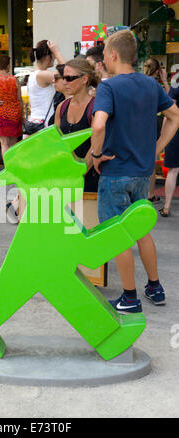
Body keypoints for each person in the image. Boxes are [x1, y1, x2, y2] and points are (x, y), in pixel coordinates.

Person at [91, 30, 179, 313]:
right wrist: (156, 148)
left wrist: (95, 154)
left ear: (113, 55)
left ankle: (129, 297)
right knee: (141, 230)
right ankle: (154, 286)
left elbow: (99, 124)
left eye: (104, 52)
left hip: (115, 171)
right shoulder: (151, 85)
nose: (103, 57)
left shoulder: (109, 87)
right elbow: (175, 116)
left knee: (118, 235)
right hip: (143, 173)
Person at [55, 58, 99, 193]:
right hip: (65, 176)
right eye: (63, 78)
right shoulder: (62, 107)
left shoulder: (95, 107)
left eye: (69, 78)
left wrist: (80, 172)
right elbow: (57, 142)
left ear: (84, 79)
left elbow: (97, 145)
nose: (64, 82)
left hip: (89, 178)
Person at [143, 57, 170, 203]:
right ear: (158, 71)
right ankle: (150, 194)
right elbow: (170, 101)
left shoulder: (140, 82)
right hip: (150, 126)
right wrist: (164, 80)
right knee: (151, 161)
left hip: (137, 125)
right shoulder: (155, 85)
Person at [26, 40, 65, 132]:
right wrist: (57, 52)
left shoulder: (34, 75)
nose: (55, 59)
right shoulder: (42, 75)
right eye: (54, 57)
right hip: (44, 124)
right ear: (48, 57)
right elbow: (68, 72)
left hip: (34, 122)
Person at [157, 85, 179, 217]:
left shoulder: (176, 87)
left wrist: (163, 134)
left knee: (173, 170)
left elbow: (169, 113)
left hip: (176, 131)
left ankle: (166, 206)